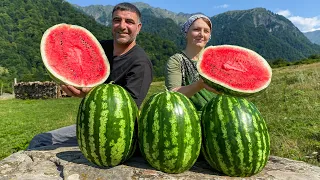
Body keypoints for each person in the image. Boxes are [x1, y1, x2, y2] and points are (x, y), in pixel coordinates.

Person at [27, 2, 153, 149]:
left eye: (129, 22)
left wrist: (90, 94)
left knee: (41, 141)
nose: (122, 26)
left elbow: (127, 110)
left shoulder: (141, 63)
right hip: (90, 122)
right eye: (117, 20)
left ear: (138, 28)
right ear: (112, 23)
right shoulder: (100, 48)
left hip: (116, 132)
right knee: (40, 140)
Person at [165, 14, 219, 111]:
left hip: (219, 114)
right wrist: (199, 85)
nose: (201, 34)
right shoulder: (177, 60)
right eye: (196, 30)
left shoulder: (217, 59)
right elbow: (172, 95)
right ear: (186, 33)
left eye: (206, 31)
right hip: (190, 118)